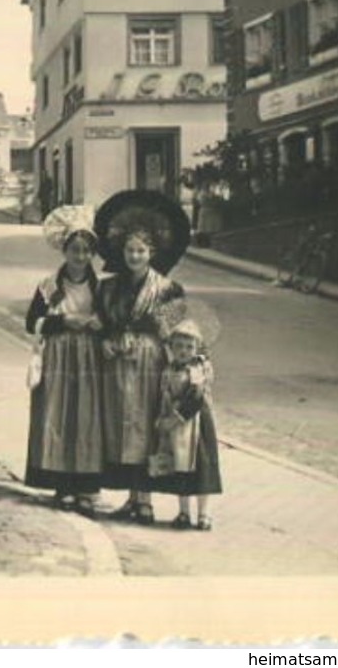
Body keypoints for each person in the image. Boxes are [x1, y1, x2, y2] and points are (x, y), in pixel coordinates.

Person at [94, 188, 189, 525]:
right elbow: (102, 323)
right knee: (122, 430)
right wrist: (107, 339)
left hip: (150, 363)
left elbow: (175, 329)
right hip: (117, 366)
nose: (134, 256)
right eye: (129, 250)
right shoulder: (108, 288)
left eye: (140, 251)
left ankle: (146, 501)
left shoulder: (167, 289)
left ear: (151, 252)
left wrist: (145, 335)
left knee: (147, 429)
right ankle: (131, 497)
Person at [25, 204, 106, 517]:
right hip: (59, 357)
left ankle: (86, 486)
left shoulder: (101, 287)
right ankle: (62, 485)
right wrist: (63, 322)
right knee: (59, 415)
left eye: (86, 251)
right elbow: (32, 323)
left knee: (86, 418)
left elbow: (111, 319)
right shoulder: (49, 286)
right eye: (75, 249)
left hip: (90, 360)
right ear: (65, 250)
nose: (81, 256)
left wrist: (100, 323)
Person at [148, 319, 223, 531]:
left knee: (202, 467)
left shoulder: (197, 368)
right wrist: (161, 418)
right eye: (179, 346)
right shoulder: (169, 370)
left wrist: (175, 418)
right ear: (171, 347)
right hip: (177, 426)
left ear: (197, 348)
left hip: (197, 424)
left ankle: (204, 514)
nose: (184, 351)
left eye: (189, 347)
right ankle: (183, 512)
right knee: (180, 469)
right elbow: (164, 395)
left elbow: (196, 397)